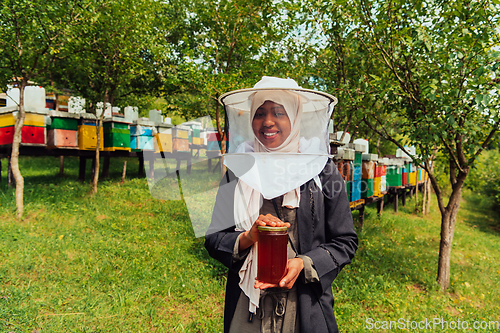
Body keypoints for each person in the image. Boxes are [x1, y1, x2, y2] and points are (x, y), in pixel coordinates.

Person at [205, 77, 358, 333]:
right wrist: (247, 237)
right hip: (249, 306)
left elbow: (345, 241)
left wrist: (305, 263)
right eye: (260, 113)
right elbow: (214, 238)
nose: (267, 122)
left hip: (304, 307)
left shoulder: (321, 171)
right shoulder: (239, 168)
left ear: (295, 117)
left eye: (279, 112)